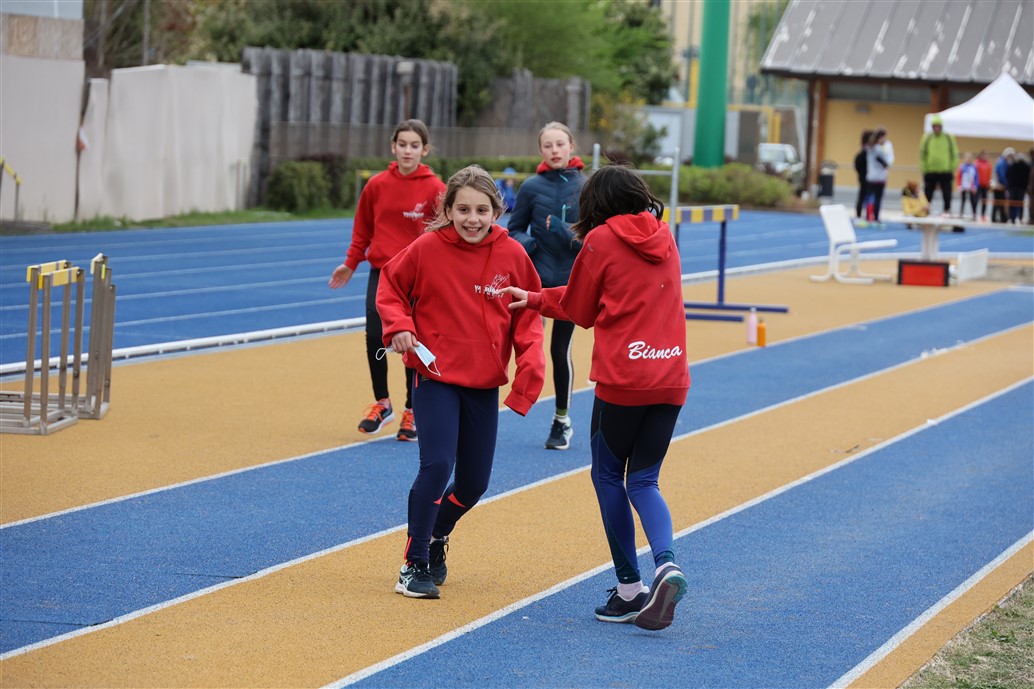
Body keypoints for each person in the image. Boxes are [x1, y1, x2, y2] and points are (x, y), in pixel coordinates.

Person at [503, 164, 690, 631]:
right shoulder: (665, 237)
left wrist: (534, 298)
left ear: (596, 204)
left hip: (624, 380)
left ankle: (629, 590)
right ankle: (666, 564)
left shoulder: (600, 240)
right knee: (644, 481)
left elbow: (580, 309)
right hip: (671, 377)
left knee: (607, 475)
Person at [377, 165, 545, 599]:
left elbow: (528, 319)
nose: (472, 219)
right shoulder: (426, 247)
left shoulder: (513, 256)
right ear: (448, 210)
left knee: (473, 485)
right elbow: (390, 286)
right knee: (437, 465)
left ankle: (436, 533)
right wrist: (398, 325)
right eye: (464, 209)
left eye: (482, 210)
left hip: (483, 382)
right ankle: (413, 564)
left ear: (496, 212)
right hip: (435, 375)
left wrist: (528, 376)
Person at [328, 120, 446, 441]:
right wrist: (350, 264)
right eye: (402, 144)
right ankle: (383, 402)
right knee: (374, 334)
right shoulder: (376, 185)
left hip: (417, 275)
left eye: (414, 145)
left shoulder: (435, 188)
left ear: (424, 150)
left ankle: (412, 409)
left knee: (411, 339)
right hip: (381, 273)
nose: (408, 151)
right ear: (393, 147)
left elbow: (444, 232)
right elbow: (362, 231)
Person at [506, 122, 586, 450]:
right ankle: (506, 405)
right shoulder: (531, 187)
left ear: (571, 147)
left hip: (570, 283)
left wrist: (563, 232)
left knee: (559, 350)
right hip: (535, 282)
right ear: (540, 150)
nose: (554, 150)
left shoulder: (586, 187)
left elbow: (594, 239)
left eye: (560, 144)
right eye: (548, 145)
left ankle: (561, 420)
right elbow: (513, 229)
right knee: (528, 346)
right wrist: (531, 243)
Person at [919, 114, 958, 215]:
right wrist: (924, 168)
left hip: (945, 170)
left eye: (938, 126)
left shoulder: (948, 137)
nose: (936, 128)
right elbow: (922, 154)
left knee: (947, 192)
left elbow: (954, 153)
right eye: (934, 126)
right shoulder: (927, 137)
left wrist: (952, 167)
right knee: (928, 192)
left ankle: (947, 210)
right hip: (930, 170)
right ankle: (926, 210)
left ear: (941, 126)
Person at [864, 127, 893, 224]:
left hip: (870, 177)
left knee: (869, 197)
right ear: (880, 137)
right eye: (884, 137)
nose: (885, 140)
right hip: (879, 178)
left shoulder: (869, 148)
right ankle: (875, 217)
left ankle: (868, 216)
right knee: (877, 198)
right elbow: (885, 163)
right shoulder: (879, 149)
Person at [1005, 152, 1031, 224]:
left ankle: (1012, 218)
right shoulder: (1027, 167)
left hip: (1012, 187)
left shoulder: (1012, 166)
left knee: (1013, 202)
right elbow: (1028, 178)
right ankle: (1021, 217)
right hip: (1022, 188)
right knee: (1020, 203)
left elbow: (1007, 175)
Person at [991, 147, 1014, 223]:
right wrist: (1007, 184)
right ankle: (999, 218)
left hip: (1000, 185)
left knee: (998, 202)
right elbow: (1002, 175)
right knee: (999, 202)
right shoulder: (1002, 163)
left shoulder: (1002, 162)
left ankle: (999, 218)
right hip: (999, 186)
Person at [853, 130, 872, 219]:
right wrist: (862, 174)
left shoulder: (871, 151)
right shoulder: (863, 152)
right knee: (862, 195)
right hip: (864, 177)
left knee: (869, 196)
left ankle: (868, 214)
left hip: (870, 177)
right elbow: (857, 165)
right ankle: (859, 213)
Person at [956, 152, 978, 220]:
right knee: (963, 200)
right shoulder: (962, 167)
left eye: (969, 158)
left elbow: (976, 177)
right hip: (964, 186)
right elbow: (958, 177)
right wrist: (959, 185)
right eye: (967, 158)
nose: (968, 159)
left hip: (971, 187)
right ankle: (961, 213)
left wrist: (975, 186)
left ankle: (974, 214)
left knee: (973, 200)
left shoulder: (974, 167)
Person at [974, 150, 993, 222]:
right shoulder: (976, 163)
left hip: (985, 186)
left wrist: (989, 183)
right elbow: (974, 174)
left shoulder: (988, 164)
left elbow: (989, 174)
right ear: (981, 155)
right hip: (978, 185)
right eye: (984, 155)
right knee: (976, 200)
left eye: (986, 155)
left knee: (984, 201)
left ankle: (983, 215)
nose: (985, 156)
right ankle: (974, 214)